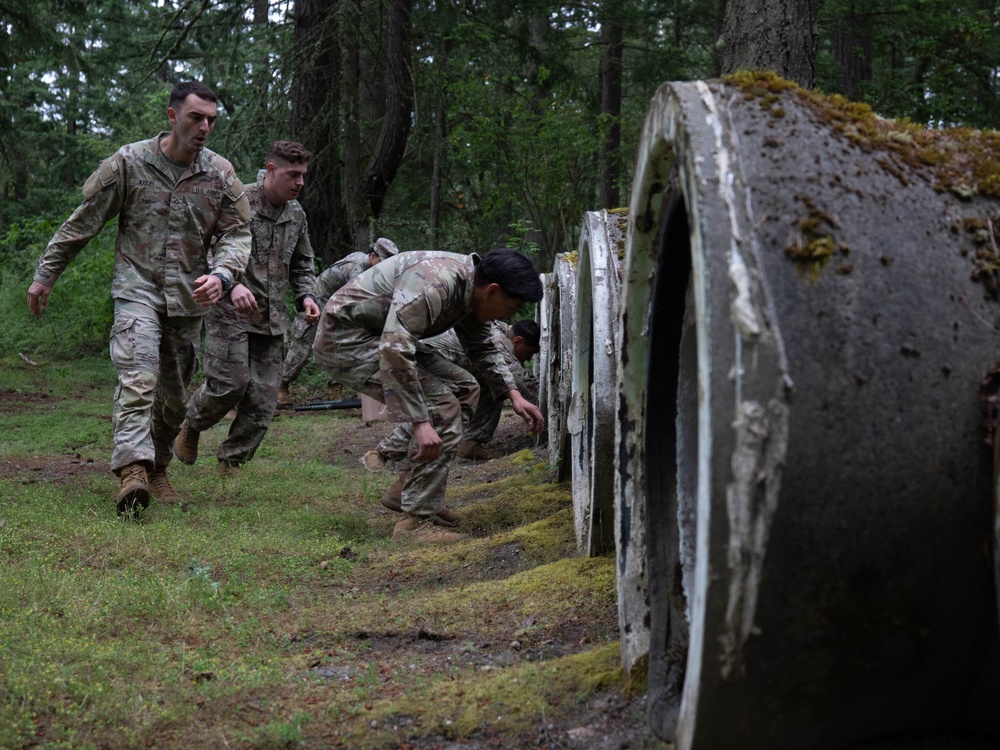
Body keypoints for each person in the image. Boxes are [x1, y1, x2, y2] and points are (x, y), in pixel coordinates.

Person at [27, 81, 251, 515]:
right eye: (195, 117)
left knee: (174, 401)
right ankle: (132, 469)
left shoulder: (219, 174)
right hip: (137, 290)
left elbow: (237, 234)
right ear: (172, 116)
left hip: (189, 301)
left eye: (211, 120)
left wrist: (223, 275)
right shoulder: (130, 163)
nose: (204, 127)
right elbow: (84, 222)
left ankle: (159, 466)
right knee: (138, 377)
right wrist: (45, 274)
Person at [313, 248, 545, 544]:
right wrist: (421, 421)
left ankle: (411, 491)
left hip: (381, 337)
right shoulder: (435, 285)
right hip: (346, 341)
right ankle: (414, 523)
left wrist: (513, 393)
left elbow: (482, 346)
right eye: (511, 308)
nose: (510, 316)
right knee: (443, 405)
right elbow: (394, 348)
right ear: (493, 291)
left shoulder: (470, 288)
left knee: (465, 387)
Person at [364, 319, 540, 489]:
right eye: (529, 352)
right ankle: (382, 453)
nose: (529, 357)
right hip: (423, 364)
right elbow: (521, 381)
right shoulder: (499, 342)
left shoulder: (503, 329)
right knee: (440, 412)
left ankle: (471, 443)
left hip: (450, 368)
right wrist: (543, 410)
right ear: (518, 341)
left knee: (495, 386)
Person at [276, 237, 399, 408]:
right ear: (372, 255)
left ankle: (336, 388)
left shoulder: (370, 268)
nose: (384, 267)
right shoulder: (356, 268)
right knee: (302, 347)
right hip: (316, 303)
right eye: (382, 262)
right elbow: (361, 300)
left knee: (339, 346)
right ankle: (281, 387)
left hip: (338, 307)